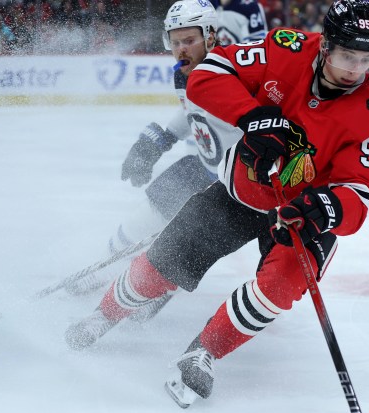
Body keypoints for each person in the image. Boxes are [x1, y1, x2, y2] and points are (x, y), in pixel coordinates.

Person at [66, 0, 369, 408]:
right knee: (164, 262)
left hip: (300, 217)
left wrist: (326, 208)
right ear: (326, 46)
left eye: (366, 59)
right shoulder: (285, 49)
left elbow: (360, 191)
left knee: (284, 282)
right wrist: (253, 116)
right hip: (240, 193)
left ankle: (203, 351)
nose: (354, 70)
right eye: (348, 56)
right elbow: (207, 74)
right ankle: (104, 314)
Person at [65, 0, 245, 297]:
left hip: (234, 186)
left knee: (178, 246)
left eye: (189, 40)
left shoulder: (236, 70)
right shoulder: (182, 73)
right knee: (144, 216)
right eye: (175, 42)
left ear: (210, 36)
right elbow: (194, 111)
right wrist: (161, 138)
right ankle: (104, 269)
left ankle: (150, 289)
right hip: (202, 167)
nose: (181, 49)